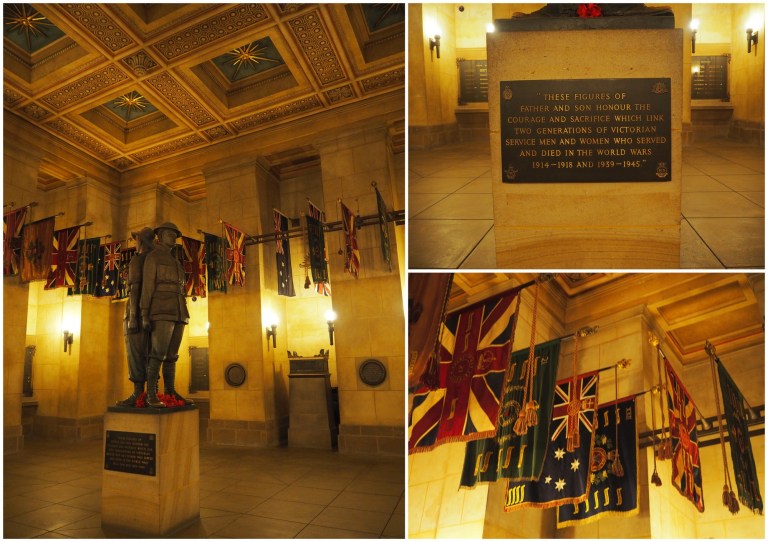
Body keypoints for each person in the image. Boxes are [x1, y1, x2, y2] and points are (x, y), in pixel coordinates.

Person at [140, 222, 194, 407]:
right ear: (160, 236)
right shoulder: (153, 258)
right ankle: (151, 394)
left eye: (174, 234)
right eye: (169, 234)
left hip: (179, 310)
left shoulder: (176, 262)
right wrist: (144, 314)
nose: (173, 237)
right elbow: (147, 287)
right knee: (158, 353)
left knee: (172, 355)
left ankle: (170, 392)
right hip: (161, 310)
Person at [116, 227, 156, 407]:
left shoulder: (137, 260)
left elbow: (134, 289)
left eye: (136, 240)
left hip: (136, 314)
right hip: (154, 314)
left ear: (140, 241)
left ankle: (139, 394)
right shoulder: (156, 261)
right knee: (152, 354)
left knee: (135, 353)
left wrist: (133, 317)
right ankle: (152, 393)